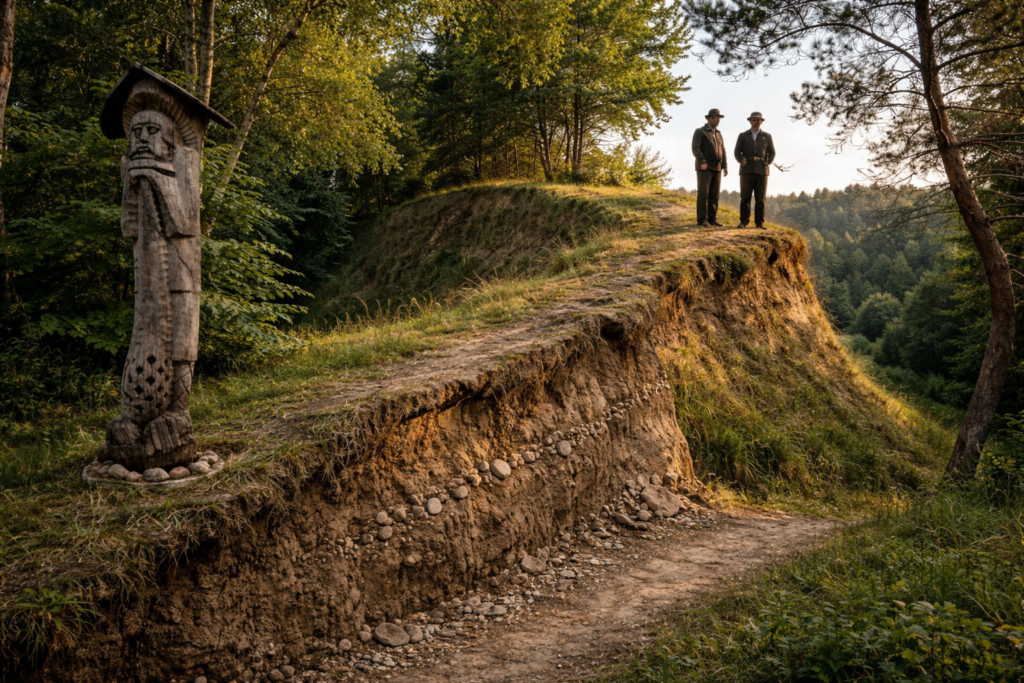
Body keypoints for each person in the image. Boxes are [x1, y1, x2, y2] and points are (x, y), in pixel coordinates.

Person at [734, 111, 776, 229]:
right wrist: (741, 160)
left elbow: (772, 152)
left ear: (761, 121)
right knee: (745, 197)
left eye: (759, 120)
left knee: (760, 199)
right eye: (754, 119)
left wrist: (768, 162)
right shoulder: (742, 136)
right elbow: (737, 151)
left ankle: (759, 223)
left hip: (762, 171)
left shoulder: (767, 136)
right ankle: (743, 221)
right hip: (746, 170)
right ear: (750, 121)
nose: (757, 121)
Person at [691, 108, 728, 227]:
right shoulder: (700, 131)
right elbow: (695, 148)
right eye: (715, 118)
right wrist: (702, 160)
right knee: (703, 194)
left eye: (718, 118)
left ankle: (712, 219)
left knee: (714, 195)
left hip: (717, 167)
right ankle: (702, 220)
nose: (717, 120)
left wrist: (725, 165)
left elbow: (723, 150)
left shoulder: (719, 133)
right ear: (708, 118)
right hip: (705, 167)